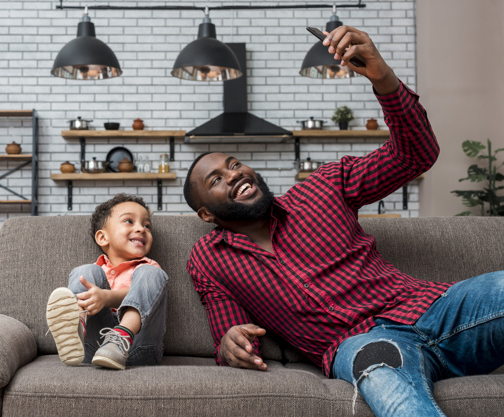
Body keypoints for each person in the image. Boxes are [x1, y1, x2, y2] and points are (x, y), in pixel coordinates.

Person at [183, 26, 504, 416]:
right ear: (205, 214)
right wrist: (231, 344)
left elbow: (415, 155)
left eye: (234, 165)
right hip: (361, 344)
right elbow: (233, 336)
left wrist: (382, 78)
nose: (234, 174)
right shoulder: (208, 259)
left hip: (435, 310)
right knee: (379, 367)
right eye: (216, 179)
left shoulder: (323, 188)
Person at [46, 193, 169, 370]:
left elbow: (143, 295)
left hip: (140, 346)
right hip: (93, 348)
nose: (141, 229)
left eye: (146, 225)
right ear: (103, 238)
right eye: (129, 221)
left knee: (153, 274)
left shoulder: (148, 268)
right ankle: (76, 329)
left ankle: (121, 336)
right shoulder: (96, 273)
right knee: (84, 271)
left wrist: (106, 297)